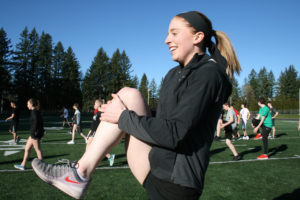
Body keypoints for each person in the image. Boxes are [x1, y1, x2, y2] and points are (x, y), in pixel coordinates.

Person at [31, 11, 241, 200]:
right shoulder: (172, 75)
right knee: (127, 96)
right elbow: (163, 120)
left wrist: (123, 117)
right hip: (155, 168)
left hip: (178, 184)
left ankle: (78, 174)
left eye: (174, 33)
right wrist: (121, 113)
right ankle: (79, 173)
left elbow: (175, 133)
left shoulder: (209, 74)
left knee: (125, 106)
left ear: (198, 37)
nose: (167, 40)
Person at [14, 98, 44, 170]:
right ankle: (23, 165)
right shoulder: (35, 111)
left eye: (28, 104)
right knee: (27, 148)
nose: (27, 105)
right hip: (33, 134)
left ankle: (43, 167)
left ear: (31, 104)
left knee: (37, 150)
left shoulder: (34, 112)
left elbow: (37, 122)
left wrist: (35, 132)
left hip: (34, 134)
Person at [85, 99, 115, 166]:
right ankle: (109, 156)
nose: (94, 105)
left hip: (96, 132)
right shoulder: (97, 113)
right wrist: (89, 133)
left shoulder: (101, 113)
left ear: (99, 104)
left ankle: (87, 161)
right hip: (93, 131)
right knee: (94, 147)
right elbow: (93, 125)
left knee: (89, 146)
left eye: (95, 103)